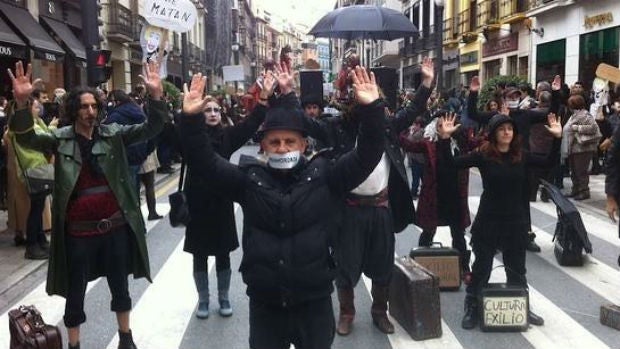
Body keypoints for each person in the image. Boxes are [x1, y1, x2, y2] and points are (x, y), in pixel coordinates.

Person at [179, 65, 385, 349]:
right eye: (274, 142)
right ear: (263, 146)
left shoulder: (327, 176)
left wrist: (373, 109)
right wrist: (191, 120)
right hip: (266, 306)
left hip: (314, 304)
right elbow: (205, 162)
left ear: (303, 145)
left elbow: (368, 154)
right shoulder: (248, 180)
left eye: (290, 141)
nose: (282, 147)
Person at [8, 60, 166, 349]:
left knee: (120, 286)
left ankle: (126, 338)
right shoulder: (60, 138)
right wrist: (20, 104)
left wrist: (156, 97)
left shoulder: (113, 133)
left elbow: (151, 128)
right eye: (84, 106)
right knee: (75, 291)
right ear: (73, 109)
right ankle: (74, 344)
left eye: (94, 106)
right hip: (78, 233)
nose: (90, 111)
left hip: (114, 228)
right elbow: (28, 138)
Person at [310, 58, 432, 336]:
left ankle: (380, 312)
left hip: (380, 208)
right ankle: (346, 313)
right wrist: (284, 96)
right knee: (345, 266)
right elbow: (309, 124)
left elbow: (412, 110)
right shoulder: (339, 127)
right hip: (349, 210)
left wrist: (426, 83)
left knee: (382, 265)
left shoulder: (386, 126)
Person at [436, 111, 562, 330]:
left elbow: (549, 162)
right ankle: (473, 305)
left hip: (515, 221)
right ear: (493, 133)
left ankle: (522, 304)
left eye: (510, 129)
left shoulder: (521, 155)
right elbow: (450, 164)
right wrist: (444, 139)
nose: (507, 132)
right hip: (489, 219)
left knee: (517, 268)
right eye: (502, 129)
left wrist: (557, 138)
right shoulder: (483, 155)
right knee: (482, 266)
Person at [185, 89, 269, 319]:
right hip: (197, 201)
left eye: (216, 110)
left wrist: (262, 102)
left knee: (223, 252)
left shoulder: (227, 136)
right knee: (199, 253)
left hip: (221, 200)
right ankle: (203, 299)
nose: (212, 114)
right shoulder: (190, 137)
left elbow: (251, 124)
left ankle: (224, 297)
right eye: (207, 110)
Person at [467, 75, 561, 253]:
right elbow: (473, 115)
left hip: (520, 162)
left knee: (523, 200)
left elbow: (549, 113)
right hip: (497, 162)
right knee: (495, 200)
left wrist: (555, 93)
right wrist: (473, 94)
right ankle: (494, 237)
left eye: (516, 97)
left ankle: (525, 235)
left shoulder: (525, 114)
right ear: (503, 99)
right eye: (510, 97)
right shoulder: (495, 116)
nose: (513, 100)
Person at [400, 112, 477, 281]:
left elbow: (483, 140)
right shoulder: (429, 143)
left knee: (458, 235)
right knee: (428, 232)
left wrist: (497, 116)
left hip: (455, 195)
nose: (445, 127)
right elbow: (408, 145)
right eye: (441, 124)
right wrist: (396, 125)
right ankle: (418, 266)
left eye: (450, 123)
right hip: (434, 195)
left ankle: (464, 267)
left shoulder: (462, 144)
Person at [561, 94, 601, 200]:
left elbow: (593, 127)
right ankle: (576, 189)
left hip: (582, 148)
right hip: (574, 148)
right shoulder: (574, 114)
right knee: (574, 171)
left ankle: (584, 191)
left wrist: (577, 128)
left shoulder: (584, 114)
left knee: (581, 171)